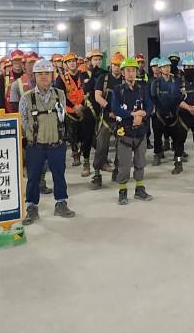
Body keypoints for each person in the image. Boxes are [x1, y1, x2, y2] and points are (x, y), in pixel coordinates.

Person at [20, 60, 76, 225]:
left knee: (59, 175)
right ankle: (31, 207)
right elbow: (24, 122)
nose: (44, 77)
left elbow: (62, 117)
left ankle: (61, 203)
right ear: (34, 76)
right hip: (35, 146)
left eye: (47, 73)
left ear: (52, 75)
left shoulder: (60, 94)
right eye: (40, 74)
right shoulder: (26, 98)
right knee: (33, 178)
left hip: (56, 144)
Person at [108, 56, 153, 205]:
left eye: (133, 70)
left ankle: (139, 189)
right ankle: (122, 191)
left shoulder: (142, 89)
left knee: (140, 162)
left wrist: (142, 115)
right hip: (125, 132)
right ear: (123, 73)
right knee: (124, 164)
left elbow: (149, 106)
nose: (131, 73)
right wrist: (133, 115)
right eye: (128, 70)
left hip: (140, 132)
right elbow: (115, 108)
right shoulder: (118, 90)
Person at [89, 54, 122, 188]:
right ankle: (97, 174)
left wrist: (120, 112)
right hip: (106, 118)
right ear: (111, 65)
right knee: (101, 146)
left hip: (121, 118)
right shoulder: (103, 78)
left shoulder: (125, 80)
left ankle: (117, 171)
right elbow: (98, 96)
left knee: (122, 147)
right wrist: (110, 108)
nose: (117, 68)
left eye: (119, 65)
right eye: (115, 65)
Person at [150, 55, 187, 173]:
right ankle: (157, 154)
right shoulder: (155, 83)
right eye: (164, 67)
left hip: (173, 115)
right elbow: (154, 98)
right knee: (157, 136)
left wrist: (173, 110)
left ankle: (178, 160)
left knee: (177, 139)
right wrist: (163, 110)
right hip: (159, 115)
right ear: (160, 69)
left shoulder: (175, 81)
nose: (167, 68)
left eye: (168, 66)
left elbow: (177, 97)